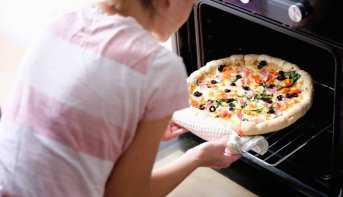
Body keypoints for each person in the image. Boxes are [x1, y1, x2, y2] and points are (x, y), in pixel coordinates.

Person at [0, 0, 241, 196]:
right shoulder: (158, 66)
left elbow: (64, 130)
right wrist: (196, 157)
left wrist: (134, 133)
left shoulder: (62, 18)